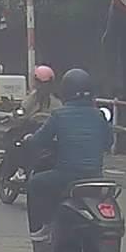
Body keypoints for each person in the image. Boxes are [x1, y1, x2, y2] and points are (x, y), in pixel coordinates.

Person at [25, 68, 112, 241]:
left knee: (34, 184)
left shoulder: (59, 114)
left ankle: (41, 229)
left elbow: (39, 140)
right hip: (95, 177)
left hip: (66, 176)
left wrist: (30, 140)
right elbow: (109, 143)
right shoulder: (99, 115)